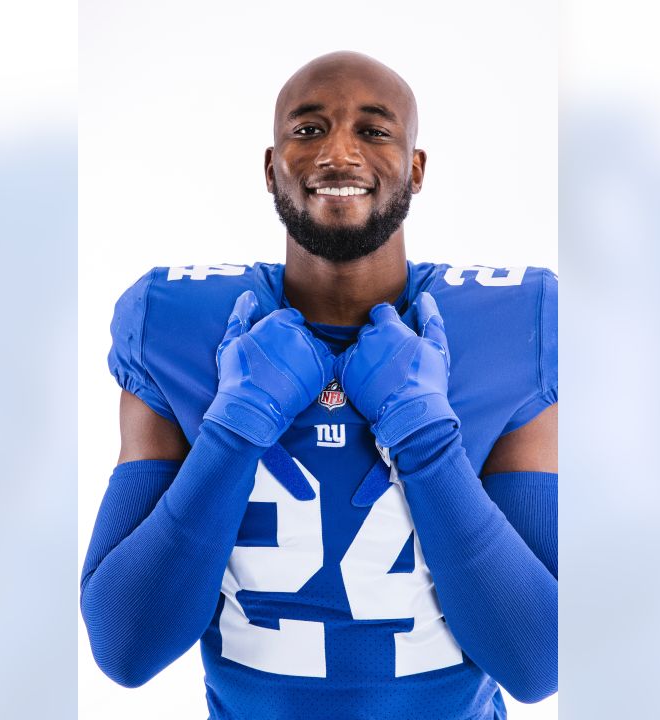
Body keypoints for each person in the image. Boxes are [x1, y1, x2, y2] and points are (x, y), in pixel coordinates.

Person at [81, 51, 557, 720]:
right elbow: (127, 649)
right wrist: (236, 423)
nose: (339, 152)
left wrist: (425, 436)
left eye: (373, 130)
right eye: (308, 130)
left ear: (416, 169)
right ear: (271, 166)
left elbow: (538, 662)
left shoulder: (508, 325)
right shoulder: (177, 322)